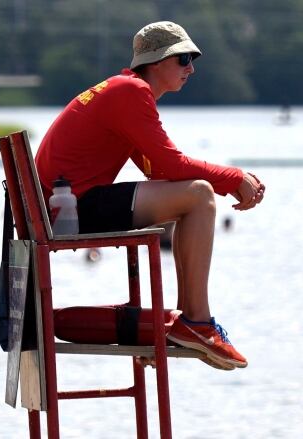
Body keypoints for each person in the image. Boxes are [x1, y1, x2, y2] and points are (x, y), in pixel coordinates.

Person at [34, 21, 265, 370]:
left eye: (193, 59)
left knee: (194, 197)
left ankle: (190, 324)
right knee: (200, 195)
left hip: (62, 206)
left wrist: (221, 179)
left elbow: (158, 170)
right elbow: (172, 165)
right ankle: (197, 323)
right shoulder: (131, 92)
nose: (192, 68)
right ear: (157, 62)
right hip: (69, 209)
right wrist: (234, 176)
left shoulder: (124, 90)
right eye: (184, 59)